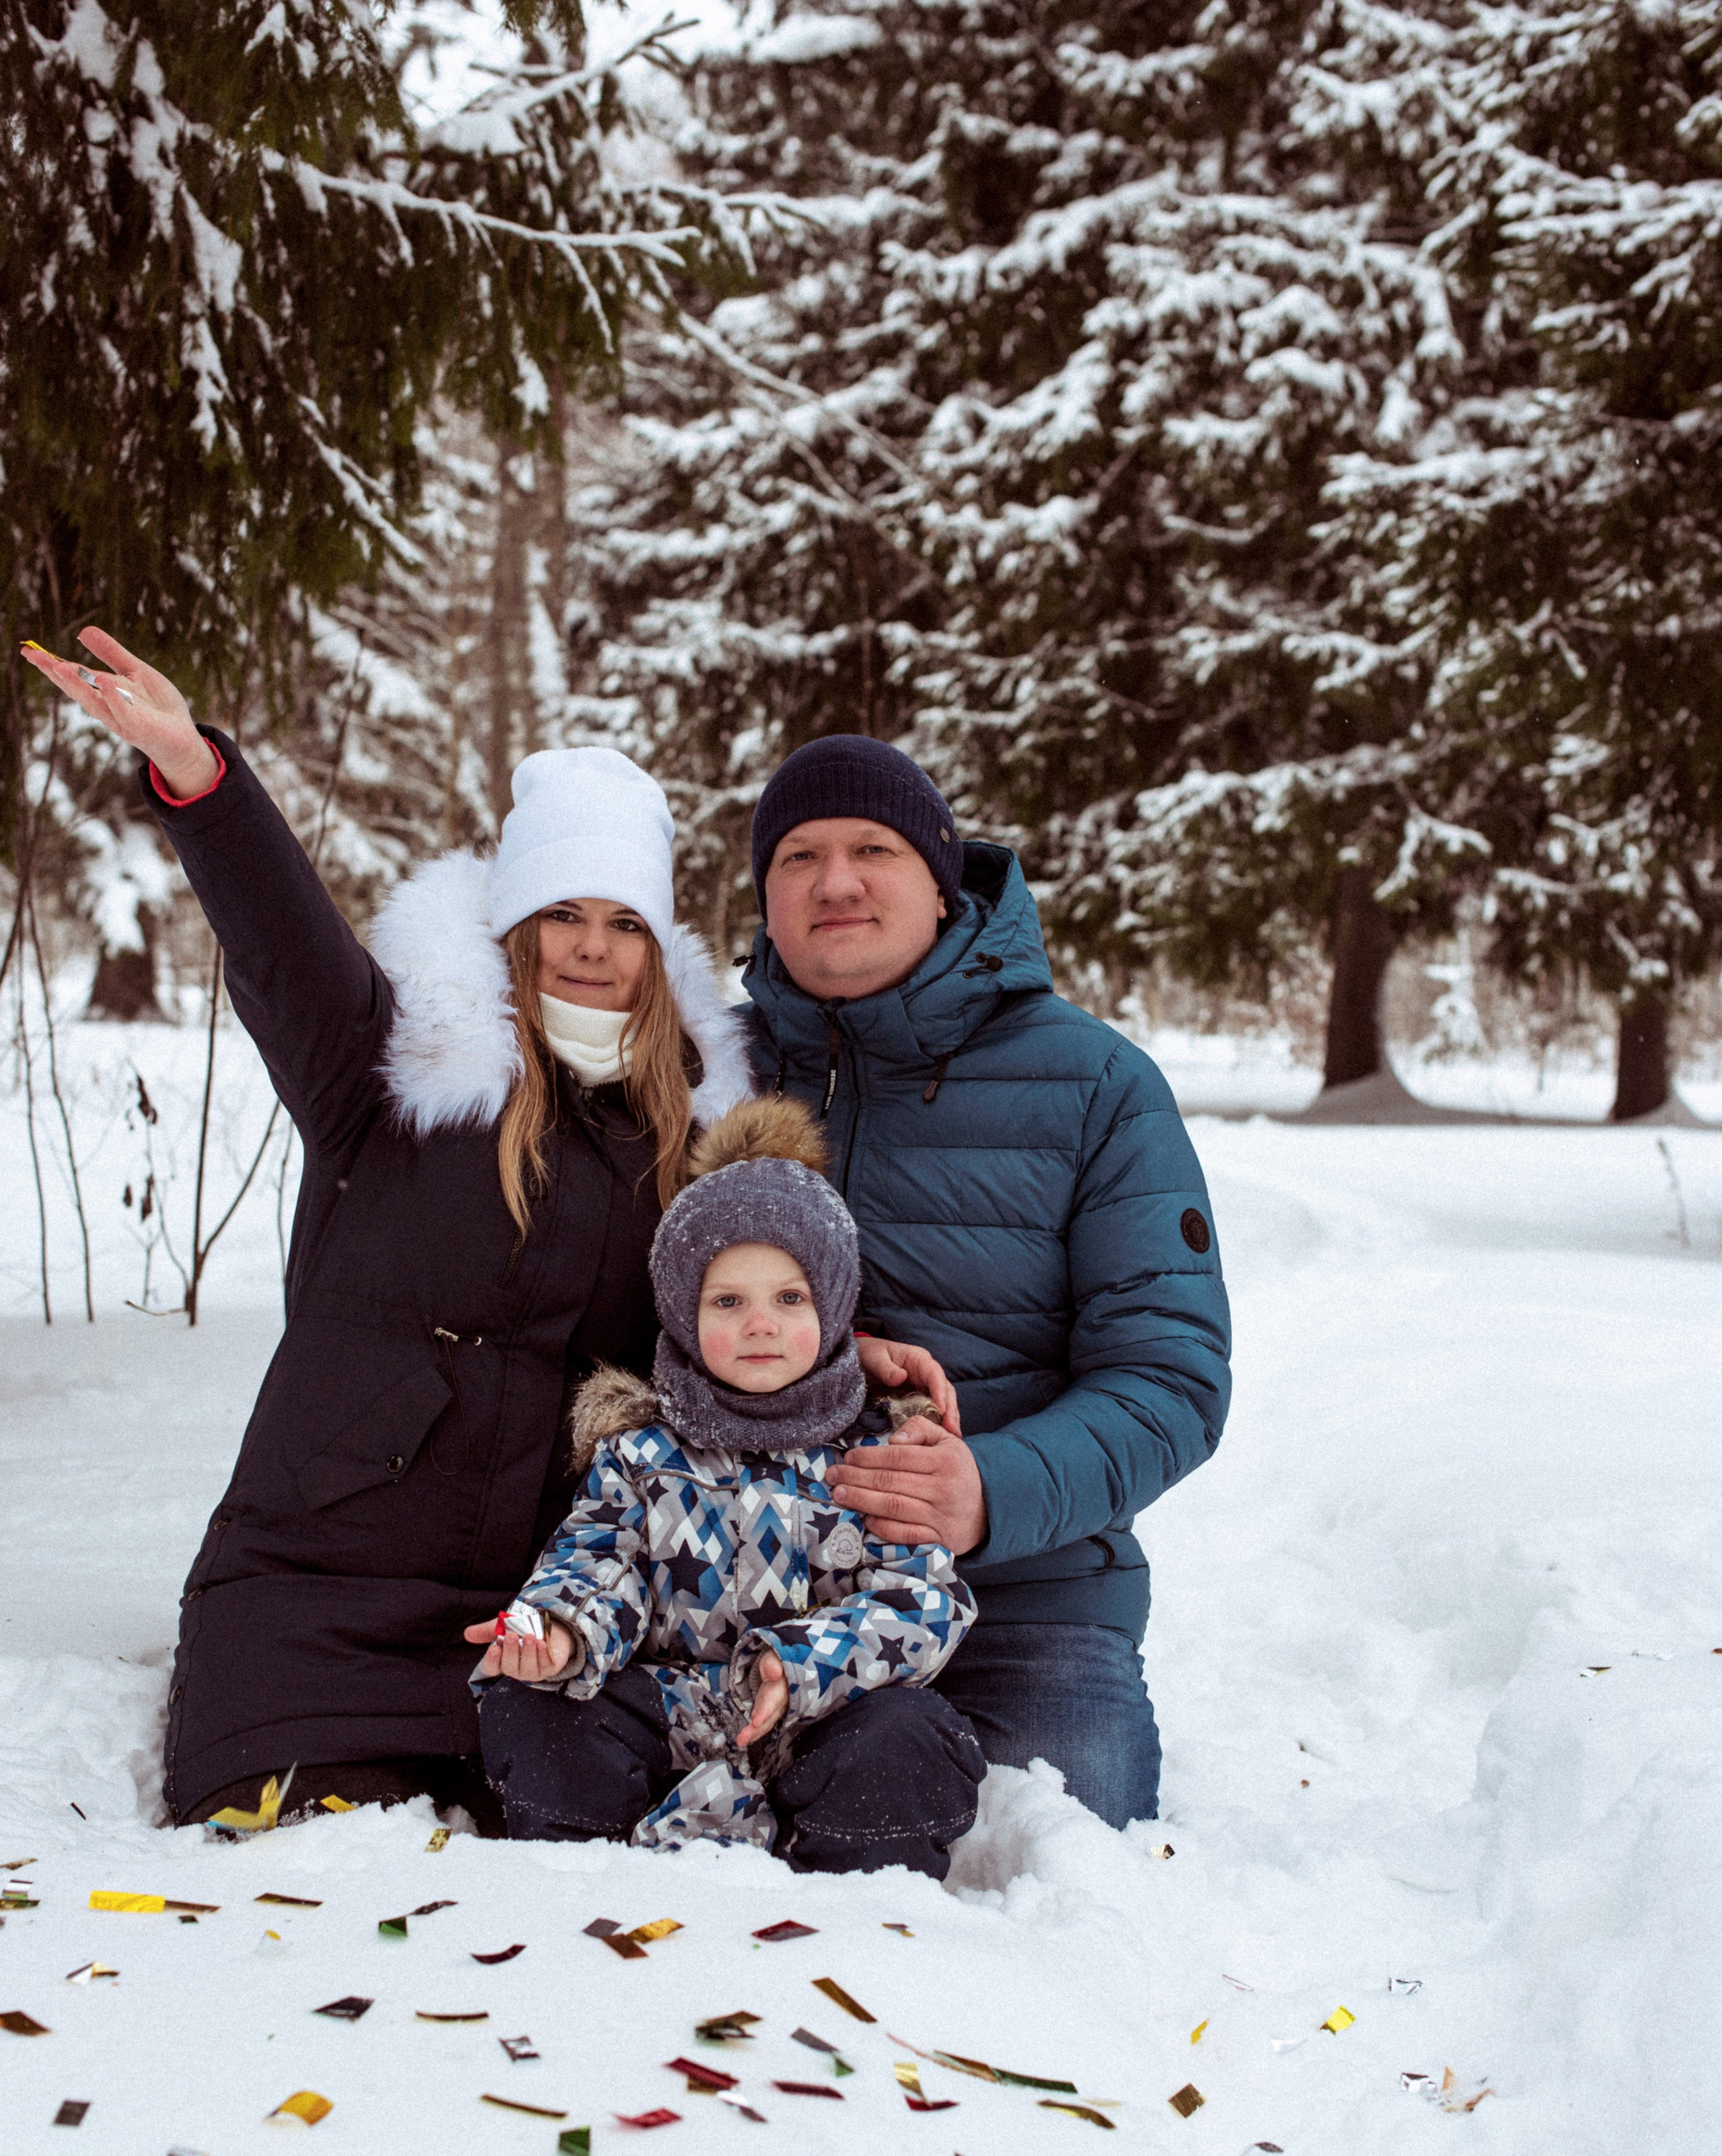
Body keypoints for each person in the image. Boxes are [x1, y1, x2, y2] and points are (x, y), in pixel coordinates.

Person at [18, 633, 949, 1828]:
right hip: (323, 1579)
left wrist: (843, 1348)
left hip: (542, 1608)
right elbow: (281, 941)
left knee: (535, 1880)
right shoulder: (397, 1067)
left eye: (625, 921)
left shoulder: (692, 1130)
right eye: (562, 912)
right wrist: (198, 774)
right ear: (515, 920)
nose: (594, 947)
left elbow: (752, 1294)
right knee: (296, 1870)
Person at [739, 734, 1233, 1828]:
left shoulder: (1098, 1087)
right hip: (746, 1590)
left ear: (942, 878)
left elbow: (1171, 1379)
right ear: (765, 894)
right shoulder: (703, 1074)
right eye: (799, 857)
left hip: (1026, 1608)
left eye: (874, 849)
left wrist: (988, 1494)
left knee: (1043, 1889)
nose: (836, 881)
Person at [468, 1100, 985, 1879]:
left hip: (821, 1715)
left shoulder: (877, 1448)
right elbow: (598, 1559)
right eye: (727, 1301)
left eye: (789, 1299)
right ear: (682, 1311)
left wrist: (799, 1665)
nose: (760, 1326)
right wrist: (562, 1634)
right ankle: (580, 1874)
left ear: (834, 1305)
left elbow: (923, 1602)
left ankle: (858, 1884)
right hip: (672, 1714)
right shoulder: (641, 1453)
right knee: (534, 1712)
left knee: (908, 1736)